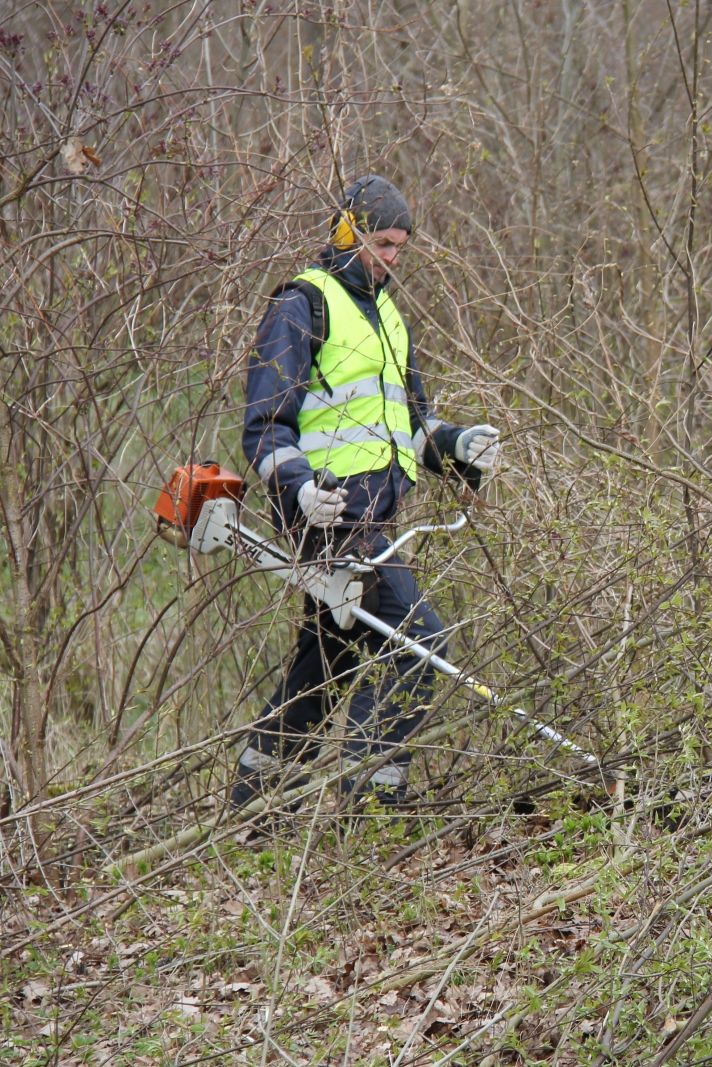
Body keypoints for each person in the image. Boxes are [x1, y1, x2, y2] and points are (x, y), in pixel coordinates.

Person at [232, 174, 500, 812]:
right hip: (331, 522)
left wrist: (458, 446)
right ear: (347, 232)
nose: (391, 259)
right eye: (382, 244)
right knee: (422, 644)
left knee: (326, 664)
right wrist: (298, 492)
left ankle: (256, 803)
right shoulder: (302, 307)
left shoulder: (387, 317)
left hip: (376, 517)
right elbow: (265, 425)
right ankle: (371, 806)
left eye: (401, 248)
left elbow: (408, 422)